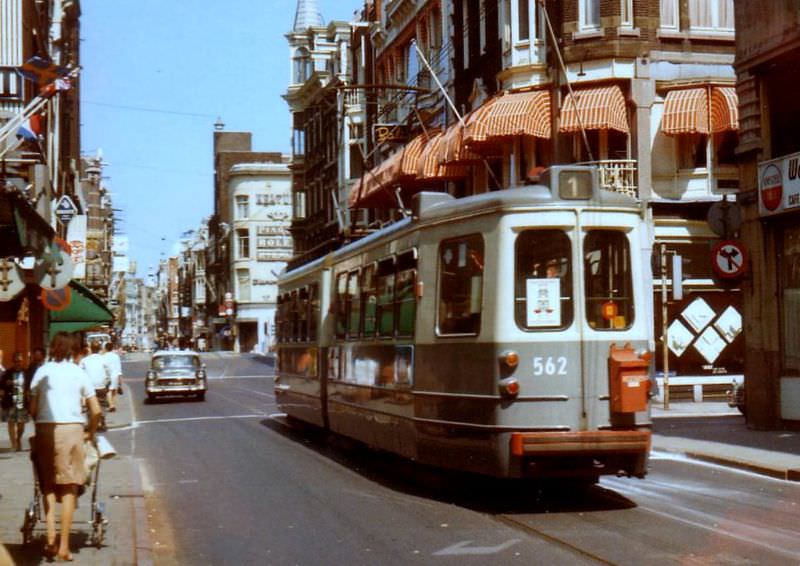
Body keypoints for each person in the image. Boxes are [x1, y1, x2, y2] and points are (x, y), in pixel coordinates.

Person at [29, 333, 102, 562]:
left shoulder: (42, 372)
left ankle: (50, 537)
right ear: (72, 350)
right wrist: (90, 430)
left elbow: (32, 407)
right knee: (69, 487)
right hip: (72, 429)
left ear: (52, 349)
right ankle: (63, 546)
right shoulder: (78, 372)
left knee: (48, 483)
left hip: (45, 429)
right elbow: (97, 410)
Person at [1, 351, 31, 451]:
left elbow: (29, 387)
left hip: (21, 400)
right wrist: (7, 384)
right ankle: (14, 444)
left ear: (22, 361)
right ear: (13, 361)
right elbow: (1, 386)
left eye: (19, 361)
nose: (18, 363)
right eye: (16, 361)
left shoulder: (25, 372)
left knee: (21, 425)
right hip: (10, 400)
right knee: (11, 423)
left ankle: (18, 439)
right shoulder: (8, 373)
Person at [101, 342, 123, 412]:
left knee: (108, 390)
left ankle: (111, 405)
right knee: (114, 390)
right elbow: (119, 368)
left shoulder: (103, 357)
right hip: (116, 374)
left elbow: (103, 367)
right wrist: (120, 378)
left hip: (108, 375)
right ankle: (112, 403)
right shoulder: (116, 356)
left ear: (105, 348)